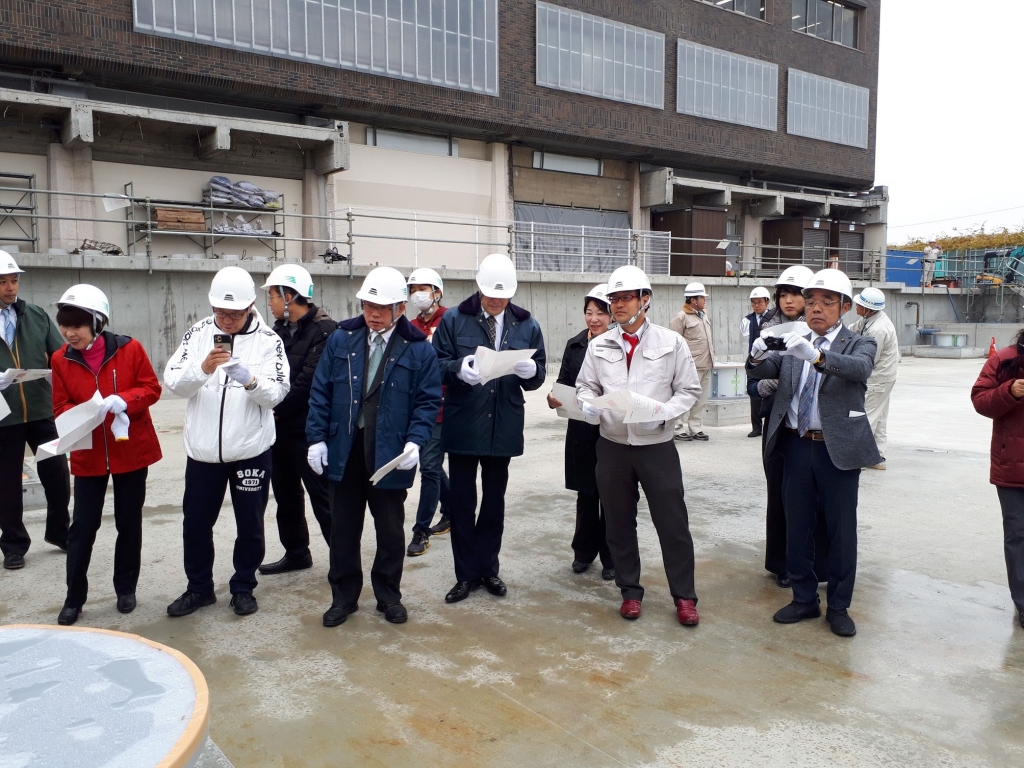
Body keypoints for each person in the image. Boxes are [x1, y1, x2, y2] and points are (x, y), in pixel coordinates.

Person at [747, 268, 880, 637]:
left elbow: (859, 369)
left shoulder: (859, 342)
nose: (816, 308)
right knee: (798, 525)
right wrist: (757, 356)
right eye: (811, 301)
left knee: (841, 530)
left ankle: (838, 605)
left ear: (845, 307)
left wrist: (818, 356)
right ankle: (804, 598)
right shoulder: (795, 340)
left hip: (836, 449)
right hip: (796, 444)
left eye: (827, 302)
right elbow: (764, 369)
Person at [306, 267, 441, 627]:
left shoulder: (418, 349)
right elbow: (321, 391)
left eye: (382, 307)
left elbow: (427, 401)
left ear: (400, 308)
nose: (373, 313)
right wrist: (316, 438)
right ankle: (344, 597)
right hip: (345, 449)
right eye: (368, 305)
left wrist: (415, 440)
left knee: (390, 530)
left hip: (390, 453)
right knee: (343, 529)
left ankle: (388, 595)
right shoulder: (342, 339)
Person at [577, 265, 703, 625]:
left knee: (673, 524)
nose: (618, 305)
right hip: (613, 446)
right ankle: (629, 591)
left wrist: (663, 414)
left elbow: (689, 390)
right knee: (618, 523)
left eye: (626, 298)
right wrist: (587, 404)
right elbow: (586, 386)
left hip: (656, 446)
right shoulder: (599, 345)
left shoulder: (671, 342)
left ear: (645, 299)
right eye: (613, 299)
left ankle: (684, 596)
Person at [163, 266, 290, 618]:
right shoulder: (198, 333)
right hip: (203, 452)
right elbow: (174, 382)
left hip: (250, 450)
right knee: (195, 524)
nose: (227, 320)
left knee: (250, 525)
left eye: (234, 314)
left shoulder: (269, 341)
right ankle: (199, 588)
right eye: (221, 312)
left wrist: (249, 380)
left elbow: (277, 393)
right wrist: (203, 369)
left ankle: (243, 586)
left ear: (250, 306)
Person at [432, 253, 546, 604]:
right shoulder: (454, 319)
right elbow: (435, 364)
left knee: (494, 501)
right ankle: (466, 575)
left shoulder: (526, 324)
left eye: (503, 295)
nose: (496, 301)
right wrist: (458, 368)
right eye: (491, 294)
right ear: (479, 287)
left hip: (503, 423)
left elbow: (539, 372)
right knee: (463, 502)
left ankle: (489, 569)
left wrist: (532, 372)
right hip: (465, 422)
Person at [50, 285, 162, 625]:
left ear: (98, 323)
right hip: (88, 452)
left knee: (129, 522)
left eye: (78, 325)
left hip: (130, 447)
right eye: (64, 325)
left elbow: (151, 388)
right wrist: (84, 412)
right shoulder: (60, 359)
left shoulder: (131, 349)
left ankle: (125, 587)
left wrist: (124, 400)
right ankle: (74, 598)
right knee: (82, 527)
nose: (70, 333)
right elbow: (60, 405)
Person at [257, 264, 337, 576]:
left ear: (289, 296)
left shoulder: (325, 331)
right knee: (286, 495)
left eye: (273, 296)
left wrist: (274, 407)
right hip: (280, 429)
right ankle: (297, 553)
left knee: (324, 497)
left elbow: (308, 383)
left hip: (310, 430)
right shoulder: (277, 332)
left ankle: (342, 559)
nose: (270, 303)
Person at [755, 265, 827, 589]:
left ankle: (817, 563)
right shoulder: (769, 329)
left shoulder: (823, 332)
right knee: (780, 494)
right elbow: (754, 374)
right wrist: (765, 385)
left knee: (816, 499)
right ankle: (781, 562)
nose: (788, 300)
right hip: (778, 422)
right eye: (783, 294)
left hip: (814, 426)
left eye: (795, 294)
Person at [0, 250, 70, 570]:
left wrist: (60, 374)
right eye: (3, 282)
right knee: (6, 482)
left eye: (14, 280)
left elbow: (60, 355)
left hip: (41, 408)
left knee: (57, 473)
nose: (10, 287)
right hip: (4, 416)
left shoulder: (36, 314)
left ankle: (60, 532)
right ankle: (13, 545)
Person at [546, 284, 614, 581]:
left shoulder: (618, 345)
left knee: (611, 496)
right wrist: (553, 398)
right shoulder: (574, 345)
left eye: (600, 313)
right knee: (586, 495)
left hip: (610, 431)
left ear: (611, 316)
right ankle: (583, 553)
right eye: (589, 312)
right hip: (580, 430)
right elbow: (562, 381)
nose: (594, 319)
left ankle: (611, 557)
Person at [971, 329, 1024, 630]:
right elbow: (980, 400)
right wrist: (1009, 391)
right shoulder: (1004, 360)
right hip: (1012, 466)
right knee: (1018, 536)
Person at [405, 267, 453, 557]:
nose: (417, 294)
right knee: (432, 465)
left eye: (423, 289)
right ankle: (451, 509)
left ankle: (421, 530)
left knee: (429, 468)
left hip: (443, 407)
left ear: (437, 292)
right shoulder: (410, 326)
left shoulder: (451, 320)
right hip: (416, 408)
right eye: (413, 290)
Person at [850, 287, 899, 470]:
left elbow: (869, 358)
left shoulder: (878, 329)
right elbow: (852, 330)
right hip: (885, 376)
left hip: (878, 377)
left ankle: (858, 458)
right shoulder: (869, 319)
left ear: (868, 309)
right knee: (880, 416)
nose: (856, 306)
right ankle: (877, 456)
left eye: (859, 304)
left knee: (867, 416)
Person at [671, 282, 714, 442]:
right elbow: (674, 343)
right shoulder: (681, 317)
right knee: (685, 398)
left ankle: (696, 428)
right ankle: (677, 428)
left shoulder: (703, 315)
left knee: (700, 400)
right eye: (702, 297)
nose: (705, 300)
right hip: (690, 367)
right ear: (693, 300)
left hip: (706, 364)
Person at [742, 287, 771, 438]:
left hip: (771, 362)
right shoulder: (747, 320)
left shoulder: (775, 319)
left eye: (759, 302)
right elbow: (744, 341)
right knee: (754, 394)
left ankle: (770, 426)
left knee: (771, 393)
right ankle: (756, 427)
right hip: (754, 362)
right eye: (753, 302)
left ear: (767, 302)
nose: (756, 305)